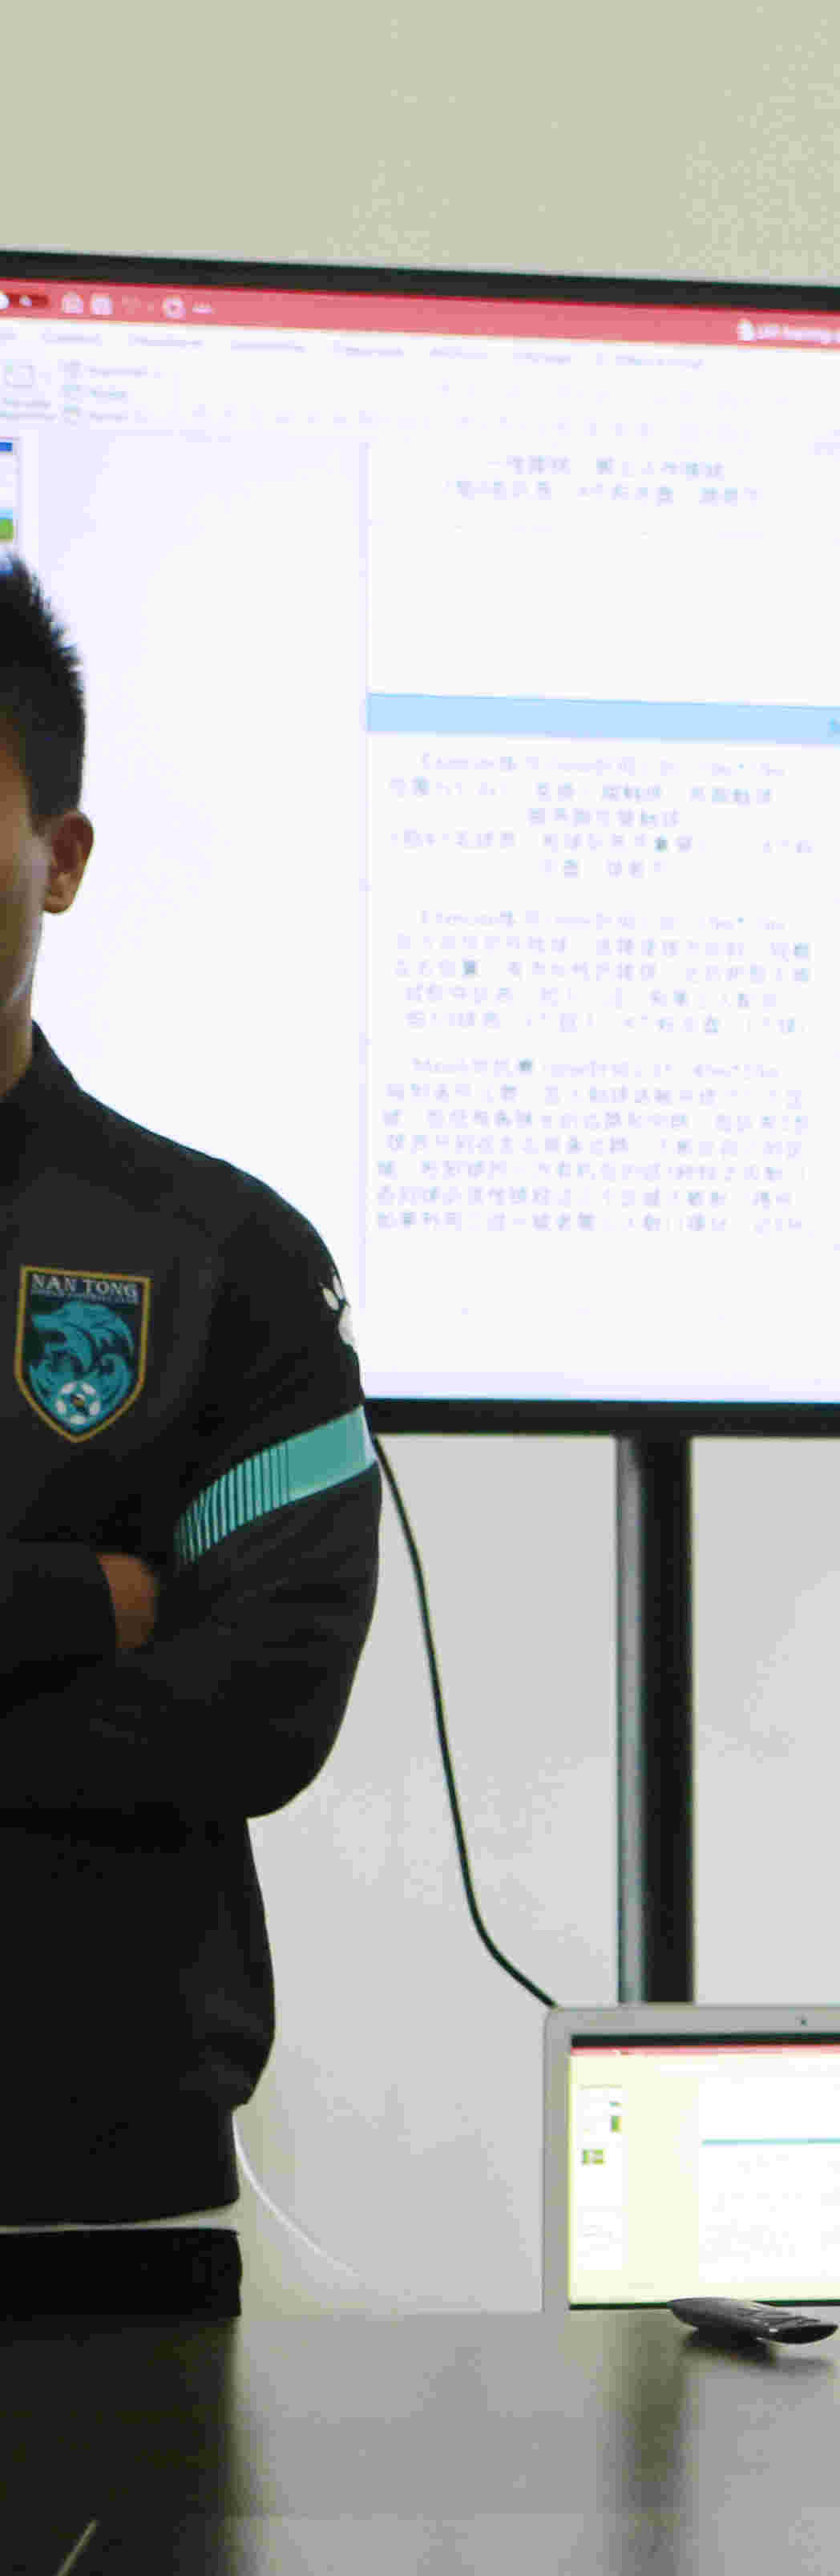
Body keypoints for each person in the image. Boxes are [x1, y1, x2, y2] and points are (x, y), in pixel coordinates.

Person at [0, 563, 381, 2316]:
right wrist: (79, 1602)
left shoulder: (221, 1260)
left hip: (91, 2195)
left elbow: (261, 1707)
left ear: (60, 859)